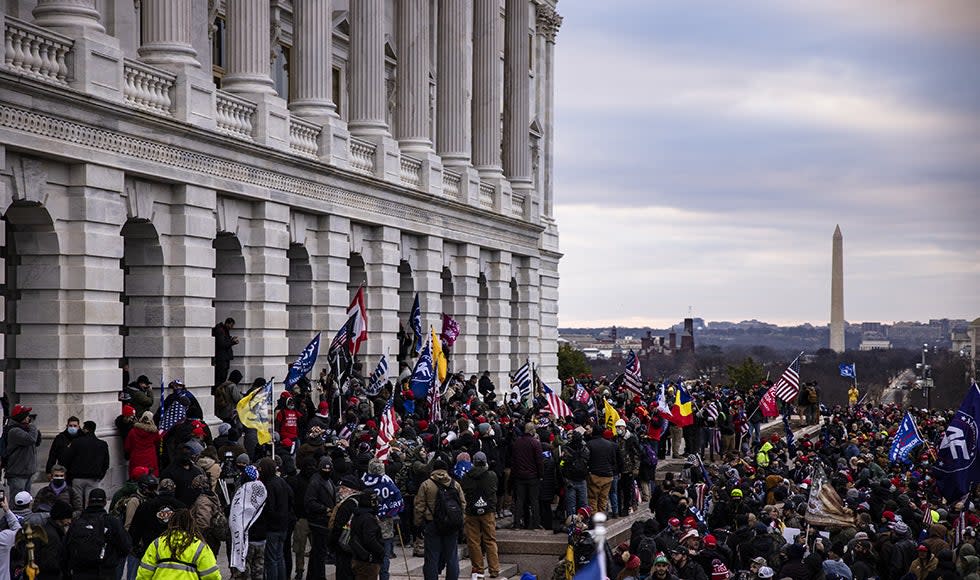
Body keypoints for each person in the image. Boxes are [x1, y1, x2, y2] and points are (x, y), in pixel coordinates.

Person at [414, 458, 466, 580]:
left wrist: (418, 524)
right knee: (452, 557)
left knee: (432, 557)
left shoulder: (426, 484)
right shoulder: (455, 484)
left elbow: (419, 506)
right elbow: (463, 504)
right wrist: (460, 522)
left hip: (432, 524)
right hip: (452, 525)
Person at [63, 488, 131, 580]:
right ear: (104, 503)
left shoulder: (77, 522)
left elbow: (65, 549)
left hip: (80, 573)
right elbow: (126, 547)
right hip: (105, 572)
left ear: (88, 502)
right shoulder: (112, 522)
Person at [135, 508, 221, 580]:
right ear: (192, 524)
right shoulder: (199, 547)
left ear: (171, 523)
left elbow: (144, 572)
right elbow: (211, 575)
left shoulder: (158, 543)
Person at [461, 451, 500, 579]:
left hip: (471, 512)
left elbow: (465, 490)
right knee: (490, 540)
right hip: (488, 511)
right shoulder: (491, 475)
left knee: (474, 541)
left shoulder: (467, 476)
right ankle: (494, 570)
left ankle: (478, 569)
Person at [258, 457, 294, 580]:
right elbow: (290, 498)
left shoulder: (269, 485)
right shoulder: (281, 482)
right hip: (283, 525)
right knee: (279, 556)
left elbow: (269, 507)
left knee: (272, 559)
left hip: (272, 527)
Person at [230, 465, 267, 580]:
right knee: (259, 571)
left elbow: (235, 515)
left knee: (244, 572)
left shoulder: (241, 493)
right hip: (261, 538)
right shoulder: (263, 490)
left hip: (246, 540)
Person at [61, 420, 111, 507]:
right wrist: (100, 475)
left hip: (77, 477)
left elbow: (67, 458)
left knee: (77, 503)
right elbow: (106, 463)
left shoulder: (76, 442)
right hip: (93, 478)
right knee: (90, 503)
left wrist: (68, 474)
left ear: (85, 430)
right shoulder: (102, 444)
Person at [305, 457, 337, 580]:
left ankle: (313, 576)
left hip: (325, 522)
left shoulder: (329, 481)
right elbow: (309, 502)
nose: (327, 471)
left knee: (317, 552)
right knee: (320, 552)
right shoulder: (315, 482)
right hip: (318, 522)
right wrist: (325, 509)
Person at [511, 422, 543, 529]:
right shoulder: (535, 443)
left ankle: (516, 524)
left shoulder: (517, 443)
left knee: (519, 501)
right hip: (533, 476)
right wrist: (540, 474)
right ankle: (536, 524)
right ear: (532, 431)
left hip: (519, 476)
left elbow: (514, 461)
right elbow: (539, 461)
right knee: (534, 501)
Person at [4, 404, 42, 496]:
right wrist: (32, 426)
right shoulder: (14, 431)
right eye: (27, 416)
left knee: (26, 501)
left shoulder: (25, 429)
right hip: (17, 473)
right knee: (18, 501)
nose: (29, 418)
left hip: (27, 472)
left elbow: (37, 442)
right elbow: (31, 439)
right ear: (21, 417)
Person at [349, 491, 385, 580]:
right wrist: (381, 551)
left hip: (358, 557)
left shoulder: (357, 515)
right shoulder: (368, 518)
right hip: (368, 560)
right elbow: (370, 539)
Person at [586, 428, 618, 513]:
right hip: (608, 475)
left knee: (593, 499)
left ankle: (594, 519)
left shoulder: (589, 444)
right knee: (603, 498)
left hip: (594, 475)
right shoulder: (610, 444)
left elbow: (587, 460)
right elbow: (613, 460)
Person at [125, 411, 162, 476]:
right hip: (150, 458)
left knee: (136, 476)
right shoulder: (154, 432)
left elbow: (128, 447)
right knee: (150, 477)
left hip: (136, 458)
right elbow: (158, 443)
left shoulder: (133, 431)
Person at [214, 317, 239, 386]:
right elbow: (222, 344)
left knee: (223, 376)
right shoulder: (221, 330)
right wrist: (232, 342)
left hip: (224, 357)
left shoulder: (224, 330)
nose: (232, 327)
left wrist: (231, 340)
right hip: (222, 358)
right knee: (221, 377)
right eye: (231, 325)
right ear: (227, 323)